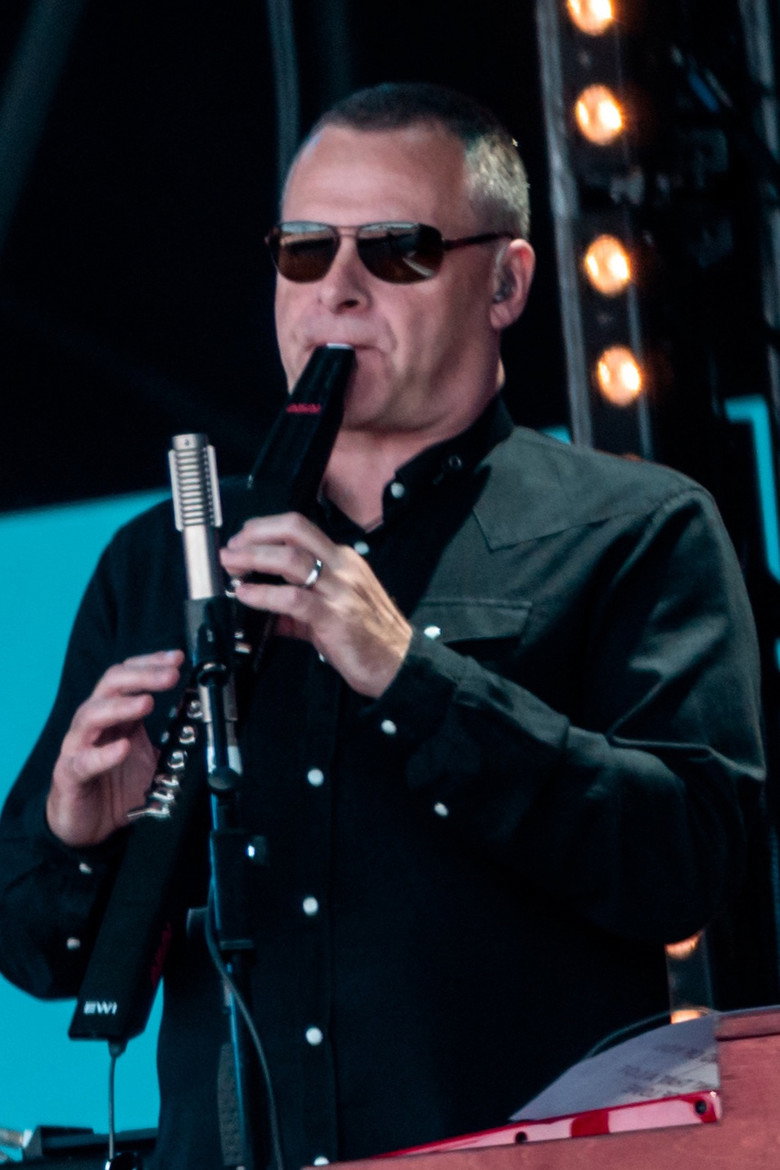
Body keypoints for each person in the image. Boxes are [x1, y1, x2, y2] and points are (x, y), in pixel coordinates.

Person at [0, 82, 765, 1170]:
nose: (338, 290)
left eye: (398, 250)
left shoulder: (636, 527)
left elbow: (689, 865)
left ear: (506, 283)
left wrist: (410, 673)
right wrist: (76, 838)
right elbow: (39, 957)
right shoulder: (164, 555)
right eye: (305, 250)